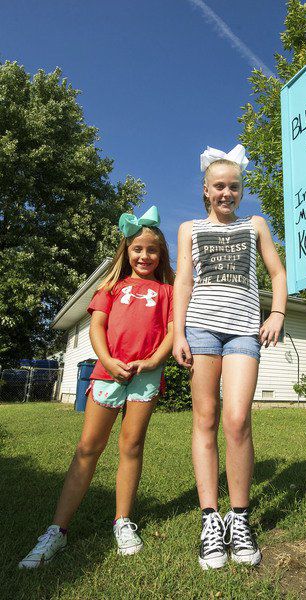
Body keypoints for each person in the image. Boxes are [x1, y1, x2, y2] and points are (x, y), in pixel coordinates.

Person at [19, 206, 175, 568]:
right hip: (108, 373)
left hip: (146, 375)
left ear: (161, 255)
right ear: (126, 252)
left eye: (152, 250)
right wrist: (106, 360)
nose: (144, 256)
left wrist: (153, 361)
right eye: (137, 249)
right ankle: (57, 530)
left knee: (132, 445)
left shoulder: (168, 292)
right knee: (88, 447)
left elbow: (172, 332)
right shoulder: (111, 287)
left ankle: (122, 521)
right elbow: (96, 328)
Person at [173, 144, 287, 570]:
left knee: (237, 419)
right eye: (219, 186)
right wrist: (177, 332)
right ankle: (210, 519)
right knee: (204, 419)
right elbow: (184, 281)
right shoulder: (188, 228)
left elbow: (277, 272)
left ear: (242, 191)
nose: (226, 193)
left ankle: (239, 519)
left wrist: (276, 312)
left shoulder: (256, 224)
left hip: (243, 330)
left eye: (234, 187)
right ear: (205, 189)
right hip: (200, 329)